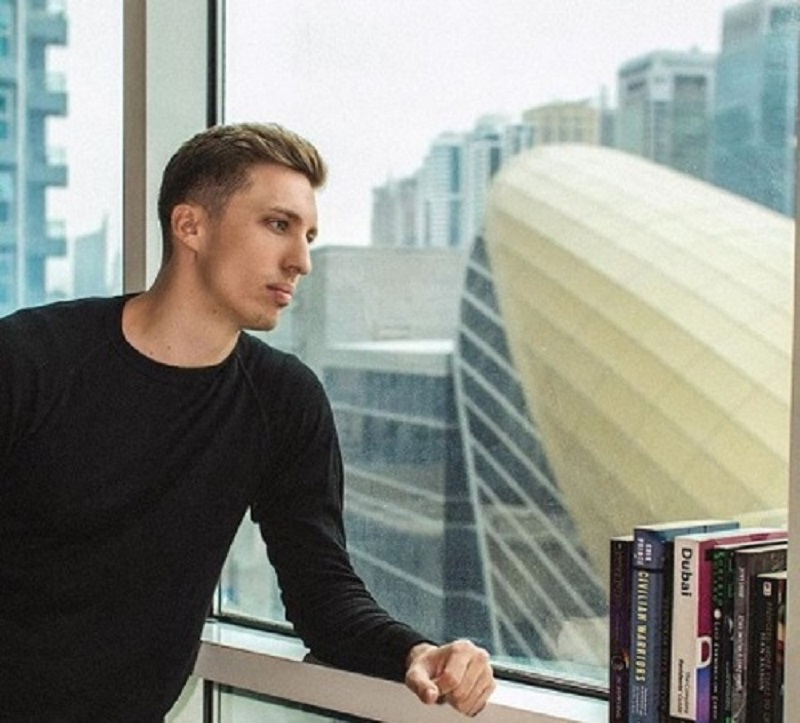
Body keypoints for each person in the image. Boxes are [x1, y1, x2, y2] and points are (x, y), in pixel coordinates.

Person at [0, 122, 495, 720]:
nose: (301, 261)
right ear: (191, 226)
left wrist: (415, 652)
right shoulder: (31, 361)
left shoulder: (283, 401)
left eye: (309, 236)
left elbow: (322, 594)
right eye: (278, 225)